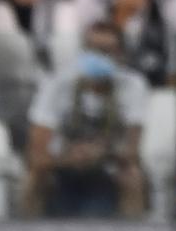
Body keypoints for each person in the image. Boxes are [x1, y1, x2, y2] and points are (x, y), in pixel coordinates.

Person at [23, 22, 149, 218]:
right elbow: (37, 152)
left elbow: (132, 150)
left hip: (108, 162)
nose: (98, 57)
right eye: (92, 50)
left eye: (106, 51)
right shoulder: (56, 84)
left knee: (132, 176)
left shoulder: (133, 86)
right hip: (62, 163)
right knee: (34, 178)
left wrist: (102, 152)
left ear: (120, 55)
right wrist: (68, 158)